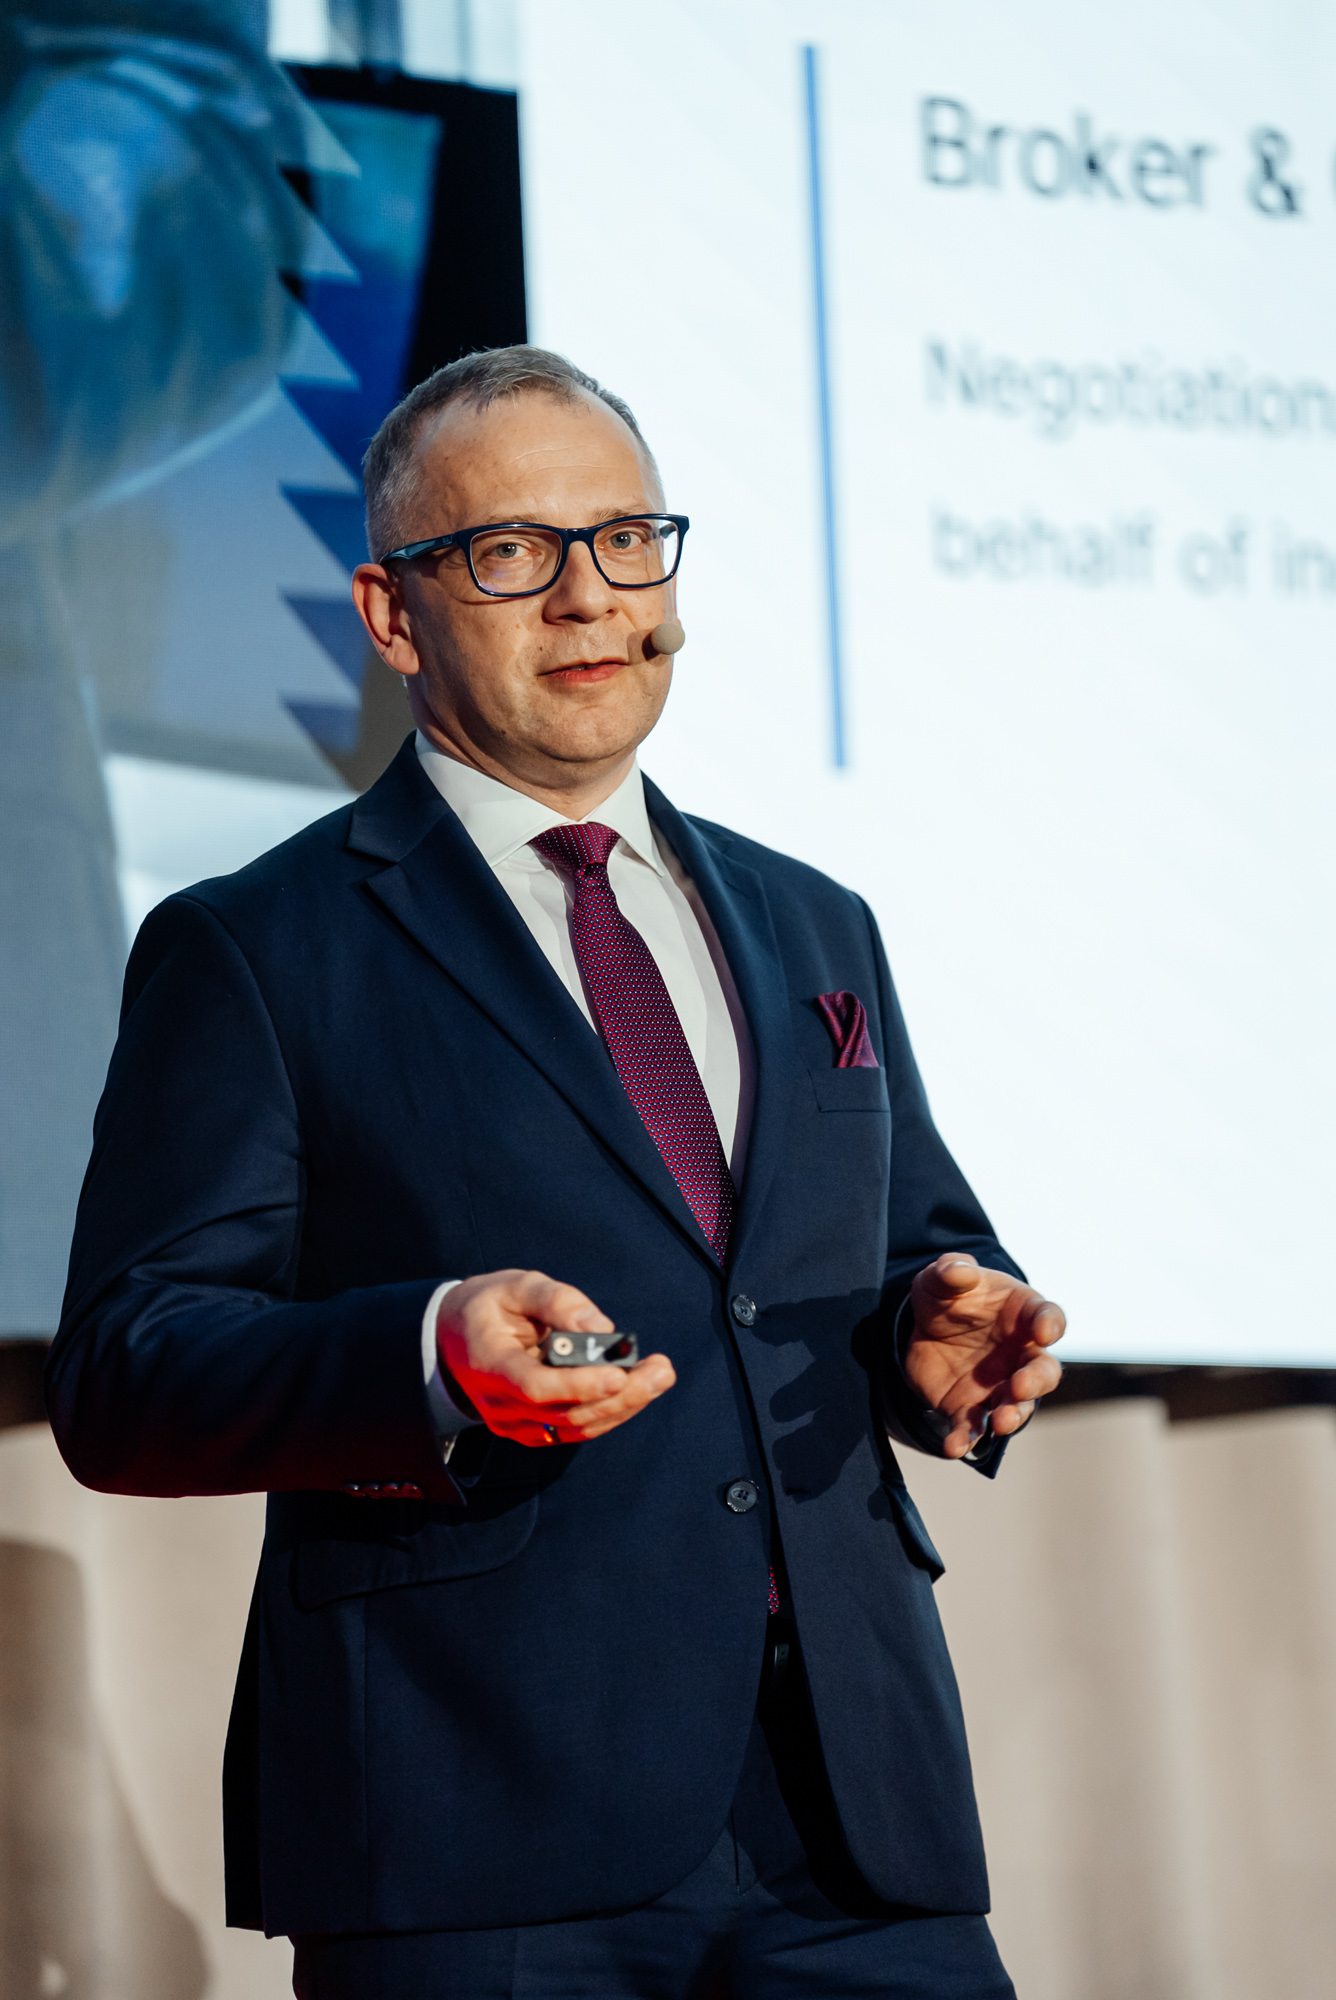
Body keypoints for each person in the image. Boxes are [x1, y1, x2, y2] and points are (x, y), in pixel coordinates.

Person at [48, 346, 1064, 1999]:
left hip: (857, 1821)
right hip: (479, 1820)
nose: (590, 595)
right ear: (392, 614)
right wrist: (428, 1356)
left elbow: (897, 1259)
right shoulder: (257, 945)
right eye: (512, 551)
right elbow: (127, 1370)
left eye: (626, 539)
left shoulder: (819, 922)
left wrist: (932, 1340)